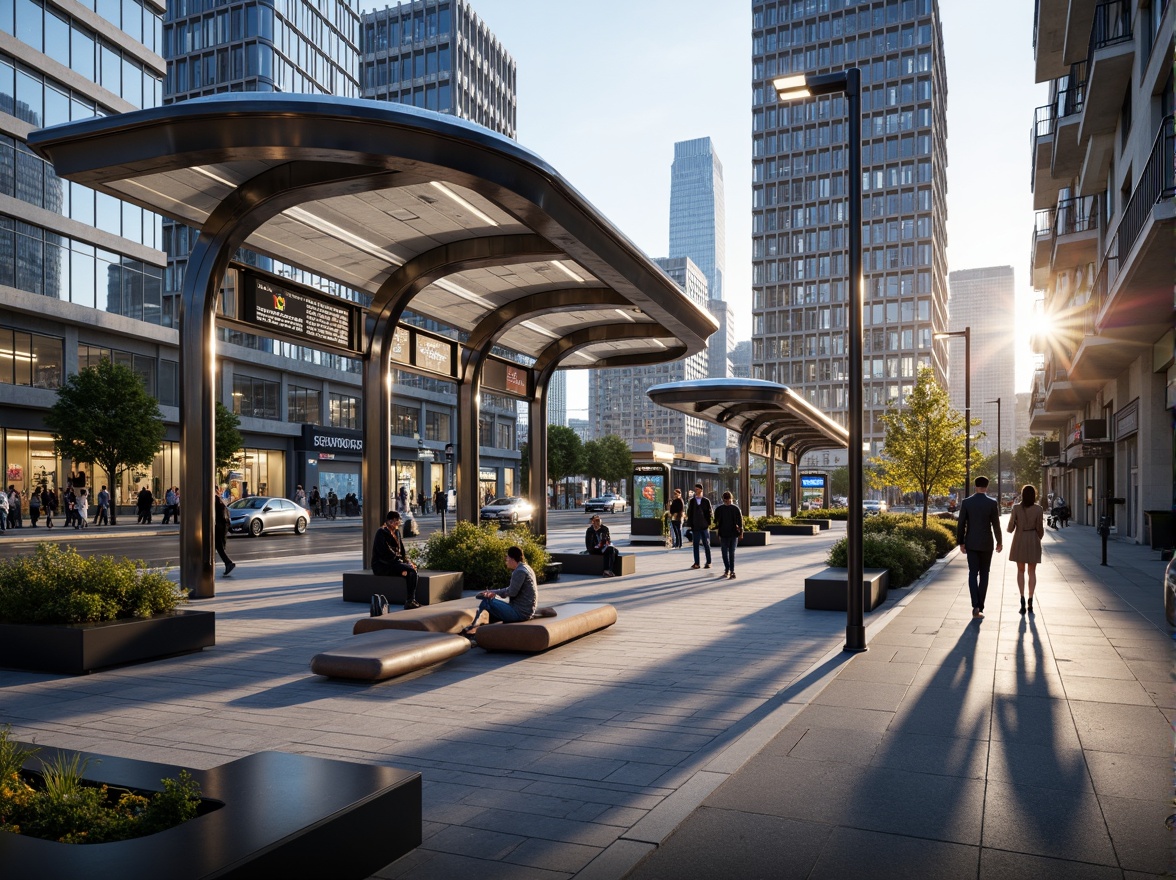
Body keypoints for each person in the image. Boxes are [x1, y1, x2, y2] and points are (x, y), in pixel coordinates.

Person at [461, 546, 543, 636]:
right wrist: (493, 593)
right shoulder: (526, 568)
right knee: (491, 601)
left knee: (487, 601)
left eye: (507, 557)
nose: (506, 560)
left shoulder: (520, 571)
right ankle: (484, 628)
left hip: (520, 613)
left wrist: (493, 593)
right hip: (524, 610)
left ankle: (473, 627)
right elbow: (511, 591)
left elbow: (512, 592)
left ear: (512, 558)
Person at [956, 476, 1003, 619]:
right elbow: (996, 524)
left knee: (972, 573)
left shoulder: (966, 502)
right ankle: (980, 606)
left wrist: (961, 542)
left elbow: (961, 523)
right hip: (986, 543)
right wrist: (999, 542)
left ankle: (974, 604)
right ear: (987, 487)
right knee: (984, 574)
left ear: (975, 486)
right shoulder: (992, 503)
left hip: (971, 542)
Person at [1007, 484, 1045, 615]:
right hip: (1033, 538)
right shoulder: (1039, 509)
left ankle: (1022, 598)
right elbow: (1040, 528)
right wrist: (1038, 536)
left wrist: (1013, 527)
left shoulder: (1016, 508)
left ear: (1022, 495)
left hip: (1020, 539)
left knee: (1020, 570)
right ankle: (1030, 599)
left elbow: (1010, 527)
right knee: (1032, 571)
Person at [370, 511, 420, 609]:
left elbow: (401, 550)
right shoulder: (381, 532)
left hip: (393, 563)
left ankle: (410, 600)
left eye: (398, 521)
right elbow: (385, 551)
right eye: (396, 521)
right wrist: (400, 562)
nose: (398, 523)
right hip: (382, 565)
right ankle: (410, 601)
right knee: (410, 570)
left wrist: (407, 561)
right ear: (390, 521)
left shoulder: (396, 532)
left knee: (412, 571)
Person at [713, 491, 745, 580]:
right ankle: (727, 569)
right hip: (723, 534)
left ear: (732, 499)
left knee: (731, 553)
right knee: (724, 553)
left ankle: (732, 570)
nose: (728, 503)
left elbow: (740, 522)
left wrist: (741, 532)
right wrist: (717, 531)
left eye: (729, 501)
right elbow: (716, 522)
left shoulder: (735, 509)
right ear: (723, 500)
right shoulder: (719, 509)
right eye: (726, 501)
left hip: (733, 534)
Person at [686, 483, 713, 570]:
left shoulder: (706, 501)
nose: (696, 491)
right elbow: (689, 513)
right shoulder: (692, 501)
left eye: (697, 489)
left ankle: (708, 562)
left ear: (701, 490)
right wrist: (690, 525)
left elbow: (710, 513)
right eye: (695, 489)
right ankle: (697, 563)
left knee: (706, 544)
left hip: (704, 526)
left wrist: (708, 523)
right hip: (695, 526)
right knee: (696, 545)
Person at [214, 487, 235, 576]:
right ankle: (227, 563)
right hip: (222, 526)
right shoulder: (219, 500)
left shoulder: (214, 499)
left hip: (219, 526)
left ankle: (228, 563)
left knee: (218, 547)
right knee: (218, 547)